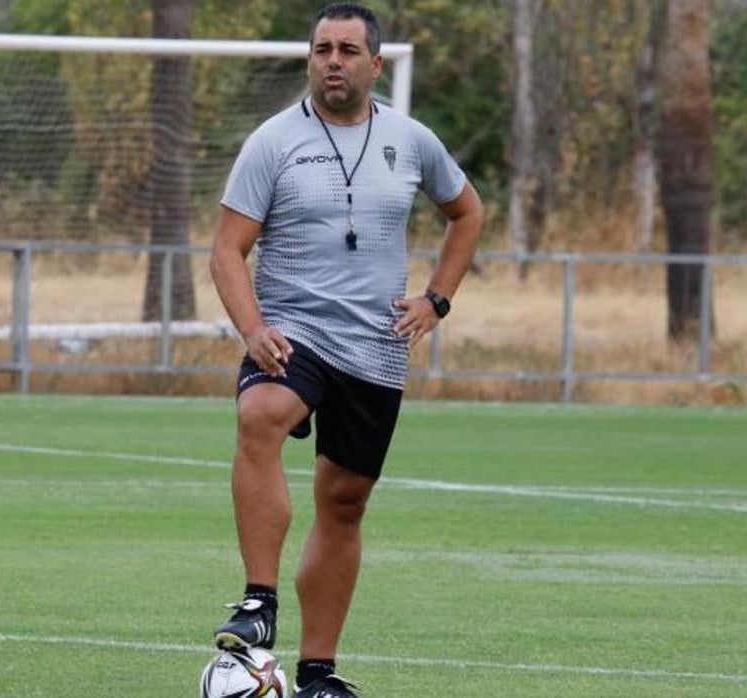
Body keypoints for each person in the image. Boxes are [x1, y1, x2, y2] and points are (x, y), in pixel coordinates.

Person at [207, 3, 483, 696]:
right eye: (322, 49)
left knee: (345, 501)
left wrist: (436, 299)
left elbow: (467, 211)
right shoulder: (272, 142)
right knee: (260, 415)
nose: (334, 60)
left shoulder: (412, 138)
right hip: (293, 329)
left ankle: (319, 675)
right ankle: (258, 601)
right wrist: (252, 328)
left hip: (377, 346)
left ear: (374, 64)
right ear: (310, 60)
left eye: (348, 50)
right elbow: (226, 249)